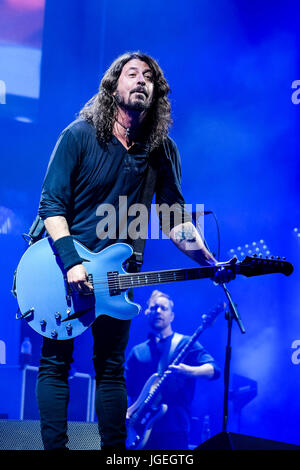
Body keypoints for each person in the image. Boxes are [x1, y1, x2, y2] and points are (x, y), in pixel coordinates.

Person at [35, 51, 235, 451]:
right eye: (132, 74)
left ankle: (115, 456)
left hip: (119, 273)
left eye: (149, 77)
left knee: (111, 369)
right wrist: (73, 262)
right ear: (113, 85)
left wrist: (210, 262)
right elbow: (51, 206)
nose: (142, 80)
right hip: (61, 265)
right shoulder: (79, 135)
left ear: (157, 93)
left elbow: (176, 221)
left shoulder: (162, 150)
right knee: (56, 364)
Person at [125, 290, 220, 450]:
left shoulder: (184, 343)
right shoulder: (137, 351)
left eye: (164, 308)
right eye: (154, 308)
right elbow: (124, 387)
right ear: (147, 313)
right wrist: (125, 412)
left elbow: (214, 369)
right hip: (137, 430)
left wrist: (190, 371)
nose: (159, 312)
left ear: (172, 316)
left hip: (174, 429)